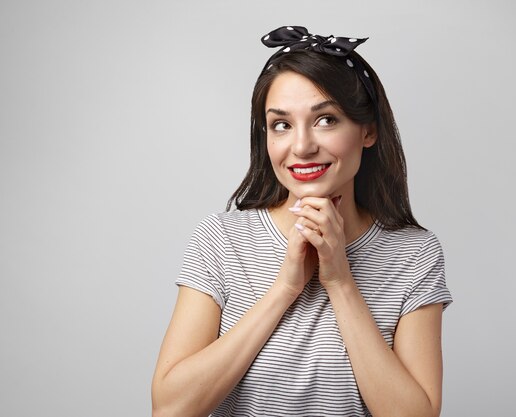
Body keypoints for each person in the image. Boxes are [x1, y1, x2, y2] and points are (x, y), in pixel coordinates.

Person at [151, 25, 453, 417]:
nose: (302, 146)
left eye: (326, 119)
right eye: (281, 124)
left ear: (369, 130)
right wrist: (285, 287)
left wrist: (341, 281)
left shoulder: (414, 254)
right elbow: (171, 409)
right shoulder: (221, 239)